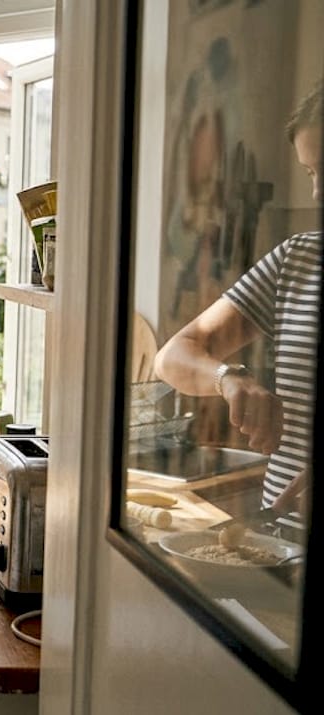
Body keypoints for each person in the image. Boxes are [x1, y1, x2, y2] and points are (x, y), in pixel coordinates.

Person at [154, 79, 322, 522]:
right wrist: (228, 378)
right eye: (311, 173)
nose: (318, 193)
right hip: (279, 548)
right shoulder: (298, 258)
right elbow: (173, 356)